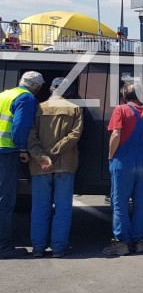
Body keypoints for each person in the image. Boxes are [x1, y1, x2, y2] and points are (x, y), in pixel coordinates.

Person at [103, 83, 143, 256]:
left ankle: (121, 242)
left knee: (119, 204)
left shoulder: (120, 110)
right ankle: (139, 241)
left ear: (123, 96)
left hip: (122, 162)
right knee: (140, 203)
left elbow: (116, 134)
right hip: (141, 163)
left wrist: (111, 155)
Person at [27, 78, 83, 258]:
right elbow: (75, 136)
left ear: (51, 89)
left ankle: (37, 248)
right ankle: (58, 249)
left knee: (39, 208)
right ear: (70, 92)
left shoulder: (37, 108)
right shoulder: (75, 109)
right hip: (65, 165)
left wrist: (42, 156)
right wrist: (54, 152)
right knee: (63, 208)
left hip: (39, 165)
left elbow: (30, 136)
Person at [0, 71, 43, 258]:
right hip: (6, 152)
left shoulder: (5, 94)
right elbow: (19, 127)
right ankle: (3, 246)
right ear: (38, 87)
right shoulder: (26, 98)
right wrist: (22, 149)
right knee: (5, 200)